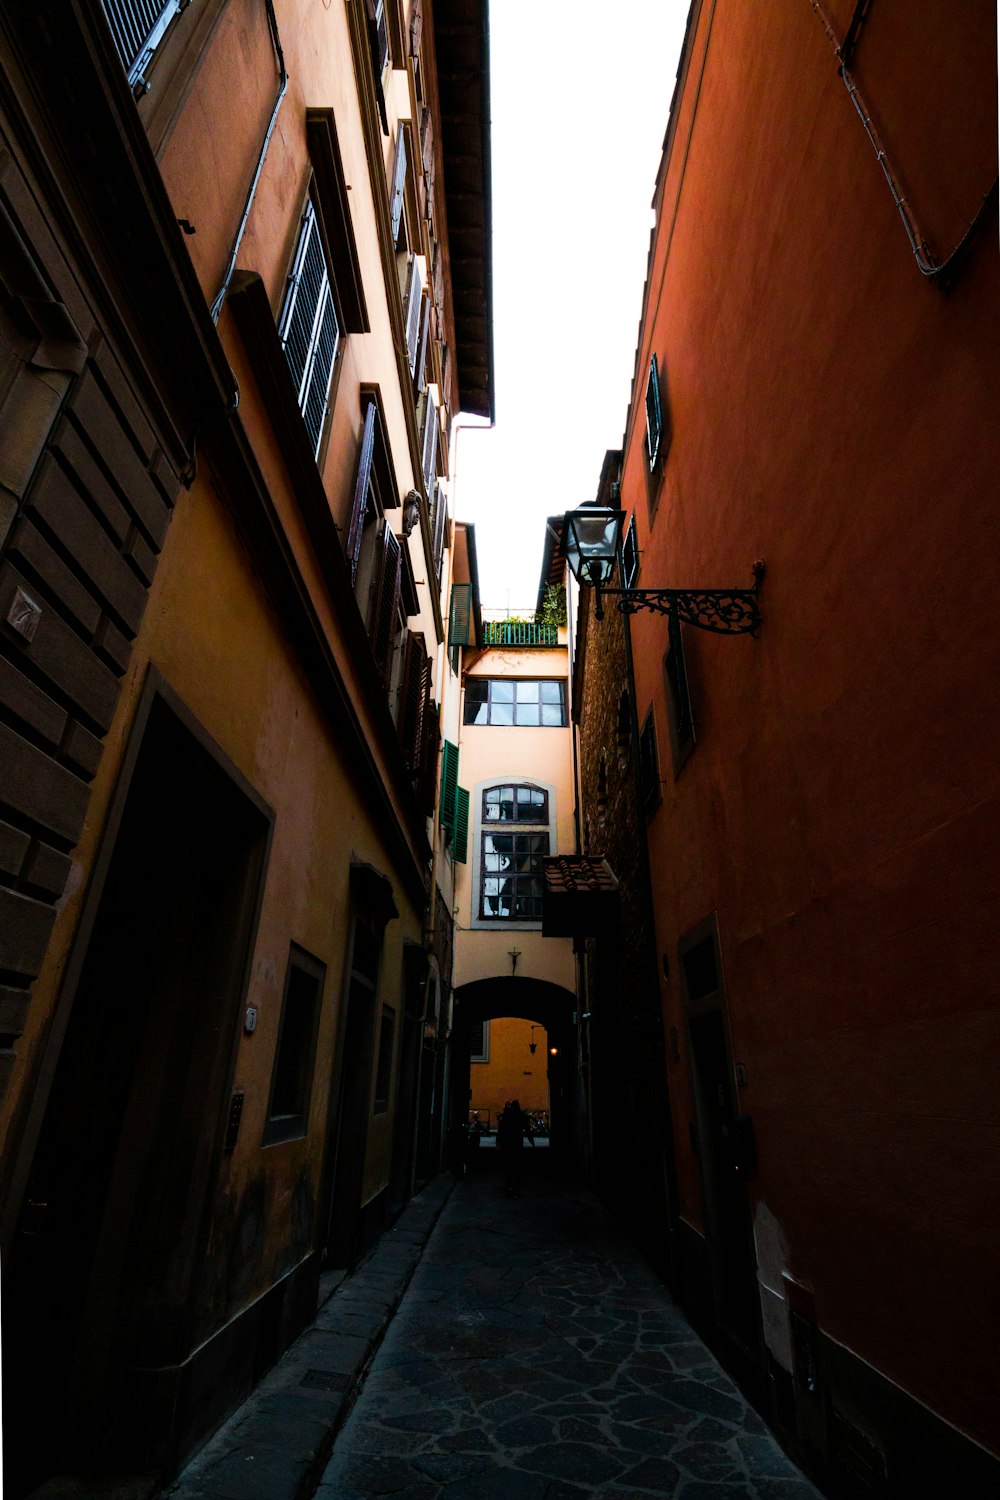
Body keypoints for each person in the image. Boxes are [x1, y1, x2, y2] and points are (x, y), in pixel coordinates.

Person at [496, 1098, 535, 1196]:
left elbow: (500, 1130)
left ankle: (508, 1184)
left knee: (507, 1165)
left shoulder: (506, 1116)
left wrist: (498, 1142)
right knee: (517, 1164)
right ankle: (516, 1185)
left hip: (507, 1143)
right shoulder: (521, 1116)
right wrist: (532, 1142)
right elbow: (527, 1129)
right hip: (517, 1143)